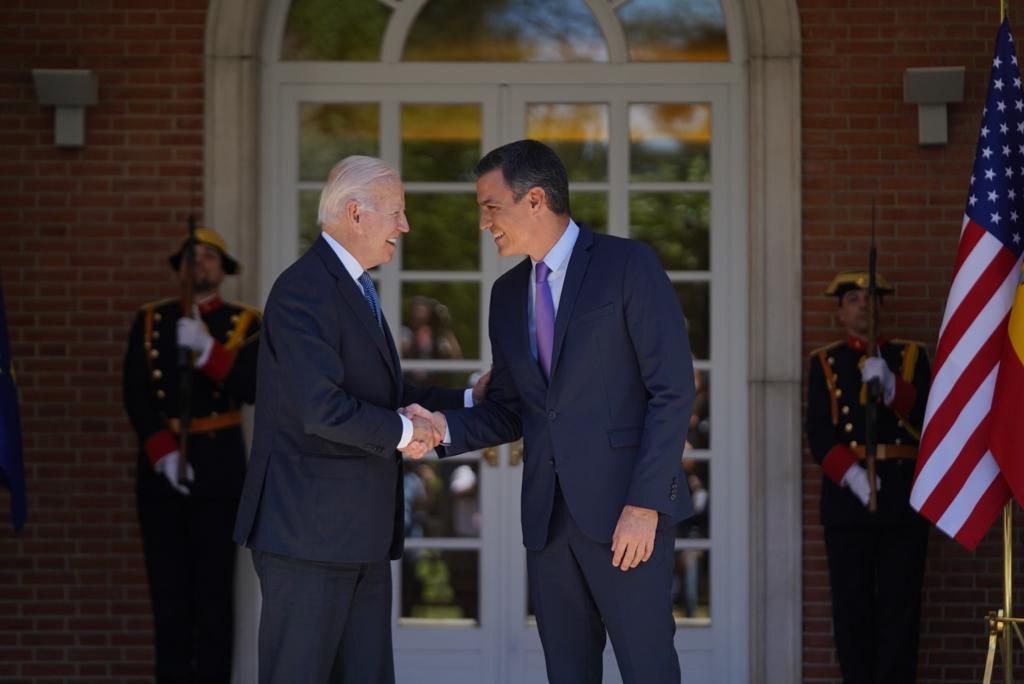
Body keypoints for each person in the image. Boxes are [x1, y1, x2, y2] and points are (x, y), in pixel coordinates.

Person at [408, 140, 696, 683]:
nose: (482, 223)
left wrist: (645, 504)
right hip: (548, 524)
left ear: (535, 199)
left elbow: (673, 390)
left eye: (490, 207)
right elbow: (513, 410)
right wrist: (444, 427)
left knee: (648, 669)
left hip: (626, 517)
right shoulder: (505, 294)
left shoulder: (627, 266)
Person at [232, 155, 484, 684]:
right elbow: (321, 407)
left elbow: (384, 394)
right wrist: (408, 432)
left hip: (359, 538)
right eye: (397, 212)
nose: (405, 226)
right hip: (308, 538)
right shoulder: (303, 289)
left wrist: (464, 400)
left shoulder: (356, 287)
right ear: (356, 213)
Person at [122, 227, 260, 684]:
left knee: (214, 598)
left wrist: (207, 352)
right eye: (190, 256)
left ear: (223, 270)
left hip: (219, 470)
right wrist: (162, 453)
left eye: (208, 256)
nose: (198, 263)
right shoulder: (149, 320)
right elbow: (137, 393)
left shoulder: (246, 322)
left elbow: (251, 387)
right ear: (179, 268)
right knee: (169, 599)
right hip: (161, 471)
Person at [805, 271, 931, 684]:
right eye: (855, 299)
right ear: (841, 312)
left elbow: (932, 420)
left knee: (901, 607)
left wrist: (894, 387)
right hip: (849, 499)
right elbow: (819, 433)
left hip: (902, 495)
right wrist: (853, 476)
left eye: (872, 297)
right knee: (852, 607)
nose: (865, 305)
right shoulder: (824, 361)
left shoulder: (911, 356)